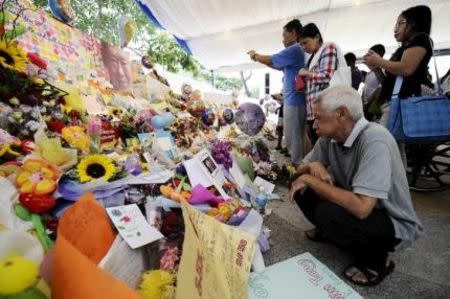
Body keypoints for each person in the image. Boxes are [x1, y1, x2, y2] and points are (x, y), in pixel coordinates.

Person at [290, 86, 422, 287]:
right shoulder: (329, 139)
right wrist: (312, 165)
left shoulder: (375, 139)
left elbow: (362, 208)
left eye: (318, 118)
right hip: (357, 204)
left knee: (326, 210)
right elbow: (298, 171)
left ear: (341, 114)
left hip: (390, 221)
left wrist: (311, 179)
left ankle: (377, 261)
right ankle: (330, 232)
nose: (314, 124)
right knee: (299, 186)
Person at [248, 19, 306, 165]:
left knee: (294, 139)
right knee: (293, 138)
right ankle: (297, 165)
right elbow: (276, 64)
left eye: (284, 35)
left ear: (293, 33)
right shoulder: (297, 51)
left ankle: (298, 169)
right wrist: (263, 60)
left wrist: (256, 56)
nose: (283, 40)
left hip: (295, 101)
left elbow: (272, 59)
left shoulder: (296, 48)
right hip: (292, 100)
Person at [297, 23, 340, 146]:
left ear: (316, 37)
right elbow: (313, 83)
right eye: (301, 44)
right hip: (314, 111)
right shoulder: (313, 57)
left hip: (325, 110)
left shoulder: (328, 47)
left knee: (326, 147)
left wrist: (306, 73)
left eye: (305, 42)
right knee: (318, 146)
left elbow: (326, 76)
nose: (303, 47)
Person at [361, 44, 386, 120]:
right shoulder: (369, 73)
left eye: (370, 55)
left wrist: (369, 101)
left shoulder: (383, 70)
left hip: (374, 106)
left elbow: (383, 86)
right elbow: (366, 88)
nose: (367, 57)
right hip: (366, 104)